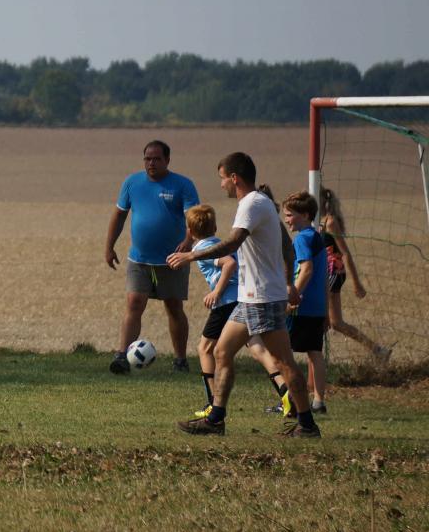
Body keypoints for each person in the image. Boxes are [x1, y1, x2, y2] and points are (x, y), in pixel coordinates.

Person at [166, 152, 320, 438]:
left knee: (283, 361)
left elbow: (233, 243)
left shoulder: (250, 204)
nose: (221, 184)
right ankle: (215, 420)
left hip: (262, 298)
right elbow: (286, 246)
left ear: (234, 178)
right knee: (221, 351)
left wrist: (191, 255)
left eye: (223, 178)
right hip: (250, 297)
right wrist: (288, 283)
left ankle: (307, 424)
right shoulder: (262, 203)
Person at [106, 140, 200, 374]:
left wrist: (188, 242)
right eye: (147, 158)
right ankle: (121, 356)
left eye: (157, 159)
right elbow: (119, 215)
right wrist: (109, 246)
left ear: (167, 160)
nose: (151, 163)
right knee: (134, 303)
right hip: (139, 259)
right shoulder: (132, 183)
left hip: (172, 260)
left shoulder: (183, 185)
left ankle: (180, 360)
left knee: (174, 307)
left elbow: (195, 219)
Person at [319, 187, 391, 361]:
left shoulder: (330, 222)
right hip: (325, 273)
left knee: (323, 318)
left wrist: (356, 282)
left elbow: (345, 253)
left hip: (333, 272)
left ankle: (315, 362)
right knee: (336, 323)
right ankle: (378, 351)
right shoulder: (316, 221)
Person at [185, 205, 238, 418]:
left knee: (205, 348)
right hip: (242, 299)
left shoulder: (204, 249)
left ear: (189, 231)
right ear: (215, 227)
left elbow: (229, 264)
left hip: (226, 302)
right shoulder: (218, 243)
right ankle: (285, 391)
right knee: (257, 347)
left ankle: (213, 403)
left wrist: (216, 292)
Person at [283, 191, 330, 414]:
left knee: (281, 353)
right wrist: (326, 310)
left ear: (304, 215)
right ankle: (319, 402)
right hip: (317, 307)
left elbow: (307, 269)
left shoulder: (302, 238)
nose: (286, 220)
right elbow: (324, 278)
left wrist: (293, 295)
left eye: (289, 215)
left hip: (300, 307)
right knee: (314, 352)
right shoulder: (316, 237)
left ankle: (290, 400)